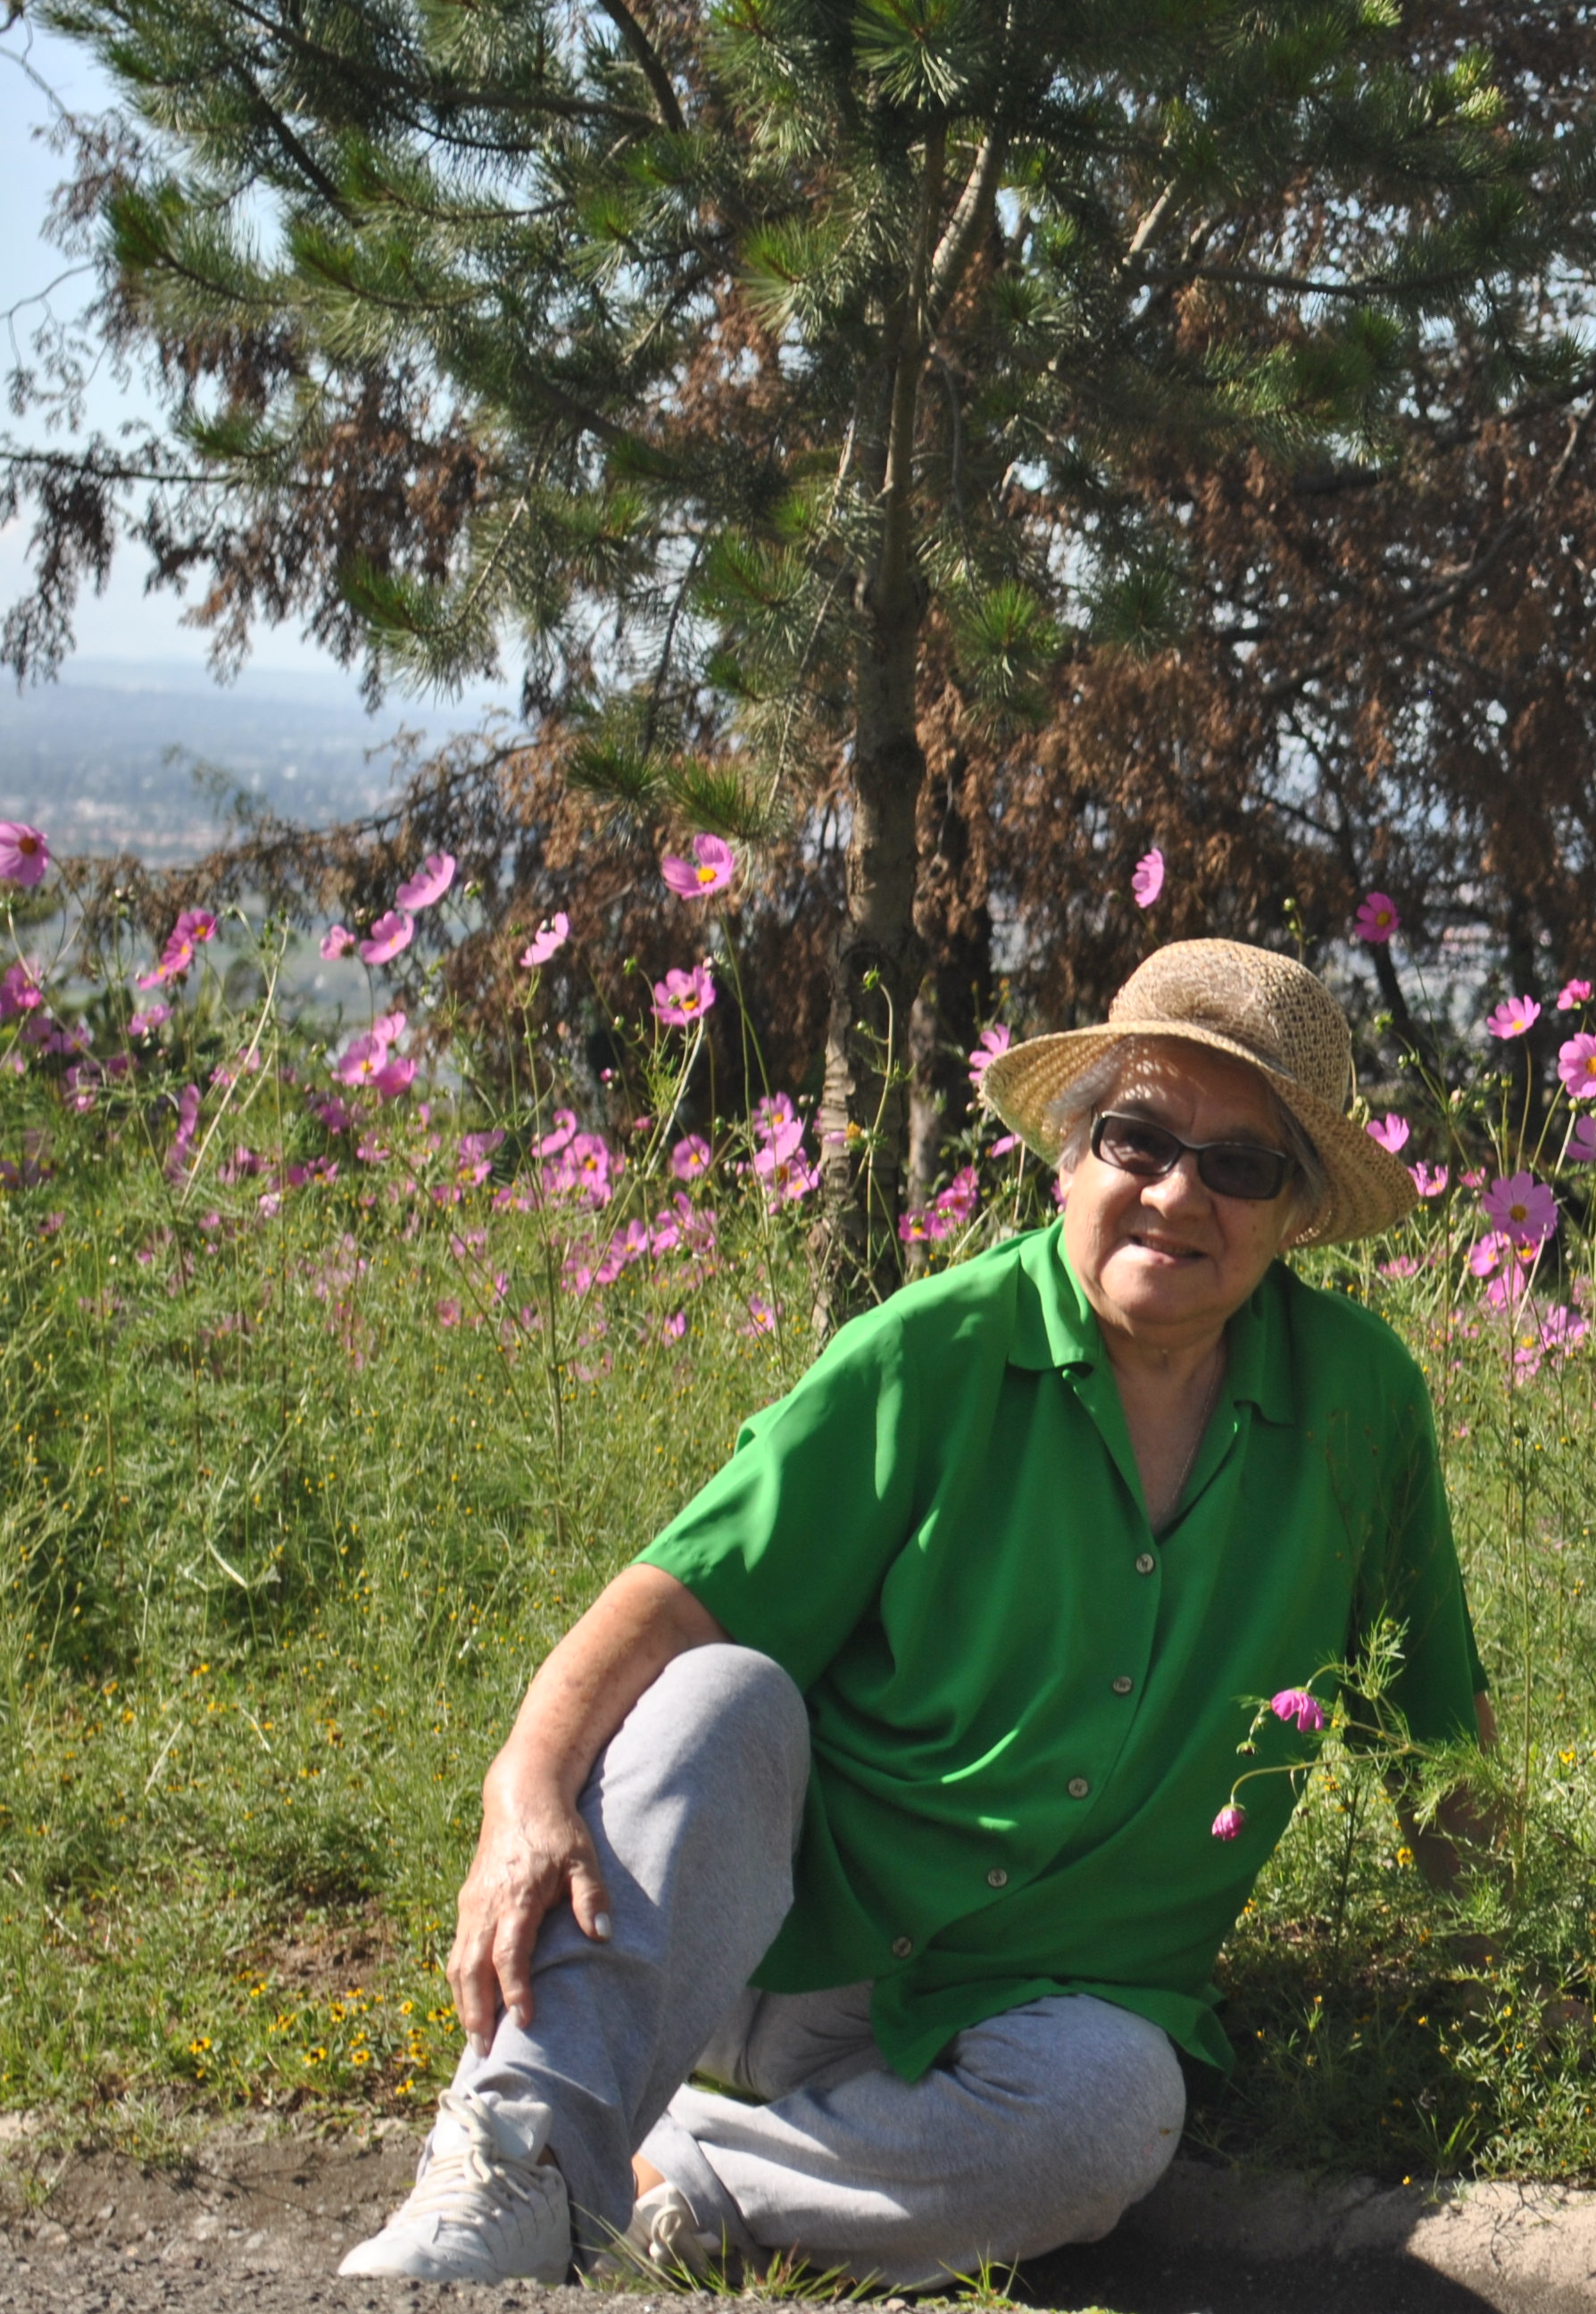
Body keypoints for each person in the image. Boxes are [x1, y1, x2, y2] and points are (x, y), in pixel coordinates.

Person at [340, 939, 1489, 2289]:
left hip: (1039, 2011)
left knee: (1119, 2112)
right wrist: (525, 1793)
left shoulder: (1360, 1406)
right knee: (719, 1694)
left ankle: (681, 2183)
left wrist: (1524, 1983)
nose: (1179, 1192)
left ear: (1295, 1212)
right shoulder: (931, 1352)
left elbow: (1436, 1743)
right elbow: (670, 1603)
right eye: (1140, 1138)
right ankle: (517, 2162)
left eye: (1240, 1165)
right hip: (773, 1949)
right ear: (1071, 1157)